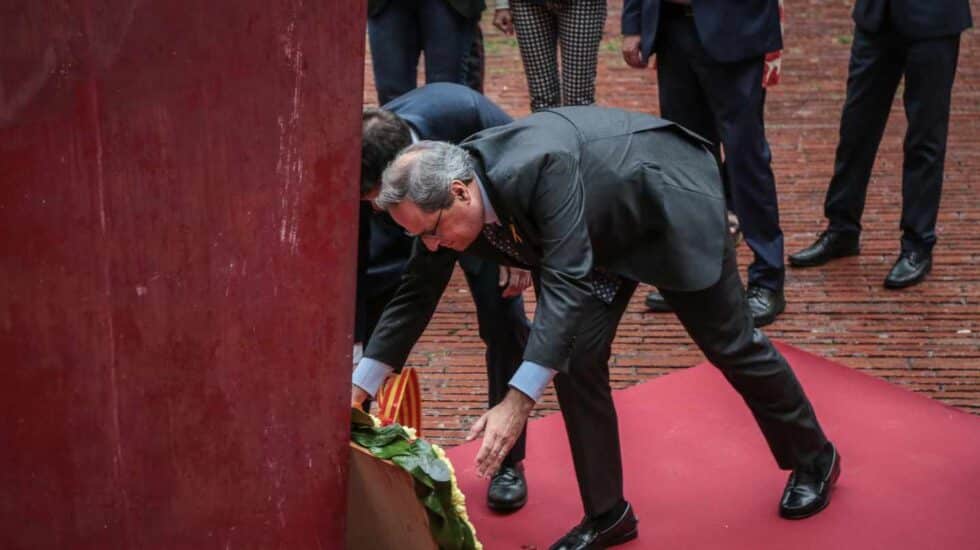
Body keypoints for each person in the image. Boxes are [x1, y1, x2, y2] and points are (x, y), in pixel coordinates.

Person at [352, 106, 840, 550]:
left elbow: (564, 284)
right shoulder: (439, 203)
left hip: (663, 204)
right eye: (420, 237)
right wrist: (359, 389)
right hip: (592, 234)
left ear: (460, 192)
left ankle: (815, 457)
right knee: (577, 360)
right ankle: (608, 515)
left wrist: (517, 401)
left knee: (730, 344)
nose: (432, 246)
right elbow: (415, 293)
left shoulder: (538, 168)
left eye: (432, 232)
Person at [356, 83, 533, 511]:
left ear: (395, 172)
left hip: (483, 213)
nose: (371, 207)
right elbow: (406, 289)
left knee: (501, 321)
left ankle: (508, 460)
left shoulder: (463, 112)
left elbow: (522, 164)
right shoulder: (366, 141)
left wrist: (521, 248)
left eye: (373, 198)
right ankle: (363, 428)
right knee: (384, 300)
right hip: (422, 216)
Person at [621, 0, 788, 326]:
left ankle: (767, 278)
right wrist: (633, 23)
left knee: (746, 158)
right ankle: (698, 278)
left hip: (736, 29)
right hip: (671, 28)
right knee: (685, 156)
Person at [789, 0, 973, 289]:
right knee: (855, 128)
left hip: (934, 19)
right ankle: (842, 229)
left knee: (924, 139)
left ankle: (917, 244)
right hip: (876, 17)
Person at [492, 0, 607, 111]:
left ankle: (578, 129)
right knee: (541, 100)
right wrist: (502, 4)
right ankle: (547, 129)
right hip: (526, 4)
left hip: (583, 4)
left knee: (579, 98)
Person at [367, 0, 486, 105]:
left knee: (446, 94)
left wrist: (501, 5)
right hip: (387, 5)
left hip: (451, 5)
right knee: (392, 96)